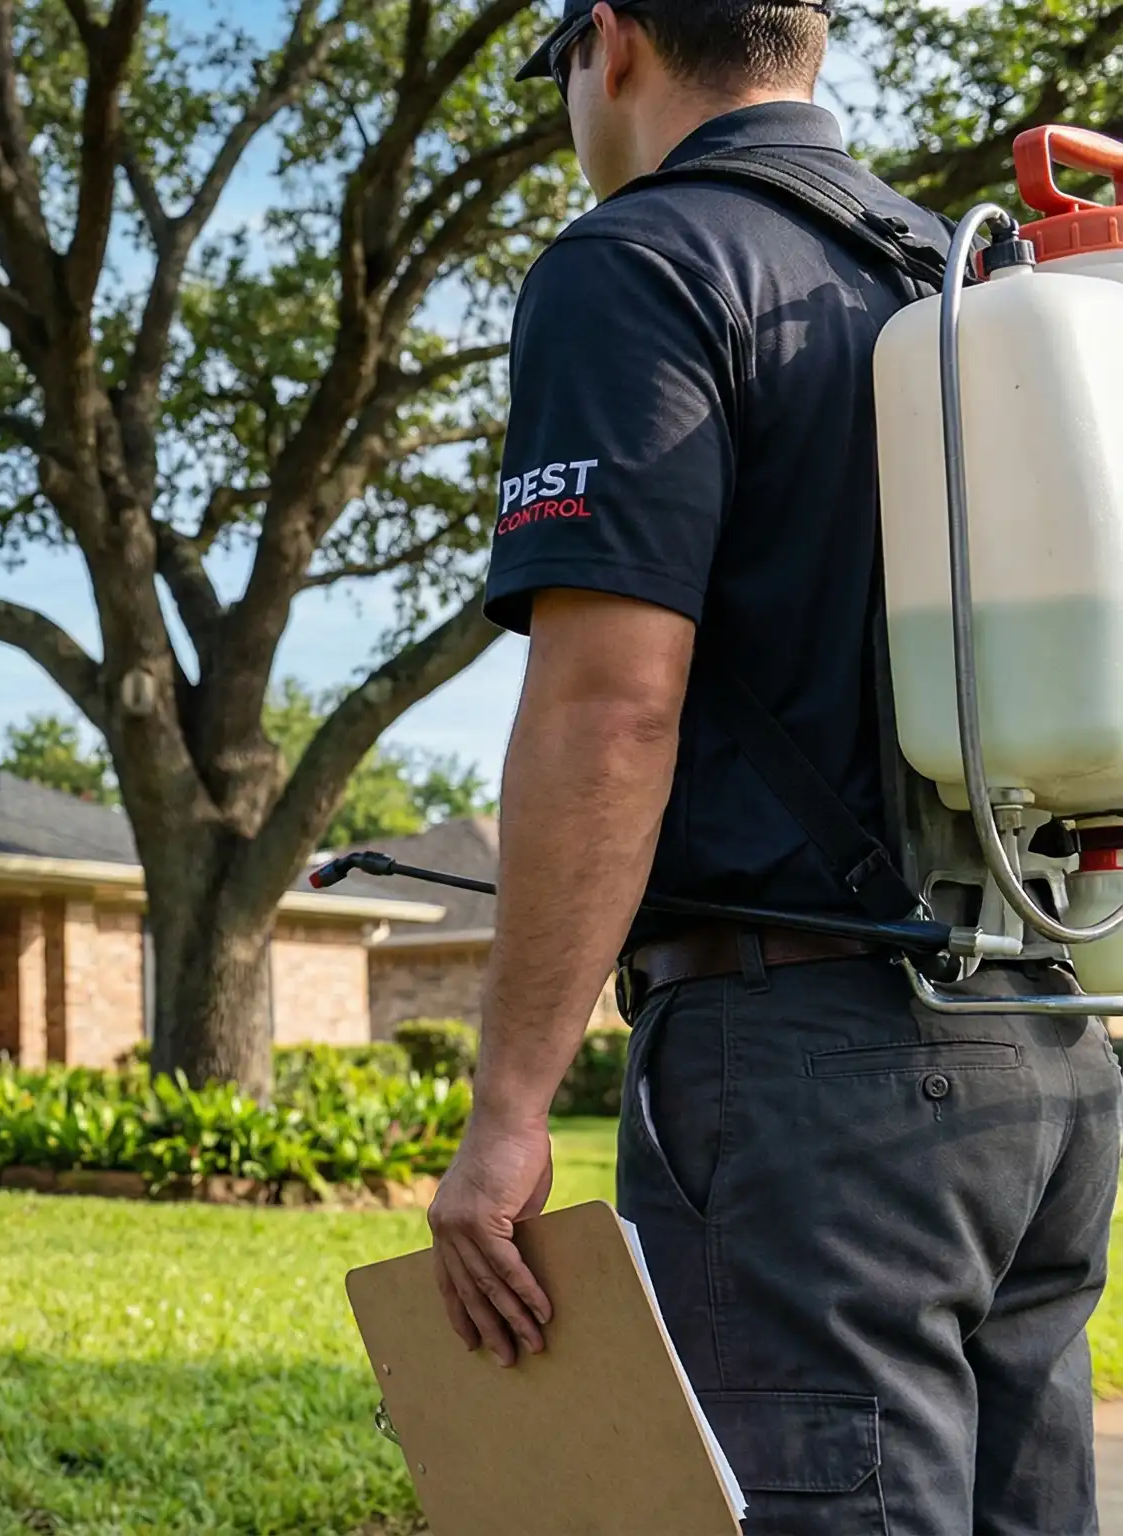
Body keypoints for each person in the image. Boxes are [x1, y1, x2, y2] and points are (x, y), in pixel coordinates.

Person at [426, 0, 1122, 1530]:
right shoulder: (967, 275)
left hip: (808, 1088)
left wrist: (509, 1110)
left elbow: (611, 708)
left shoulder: (641, 263)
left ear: (610, 42)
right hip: (1047, 1057)